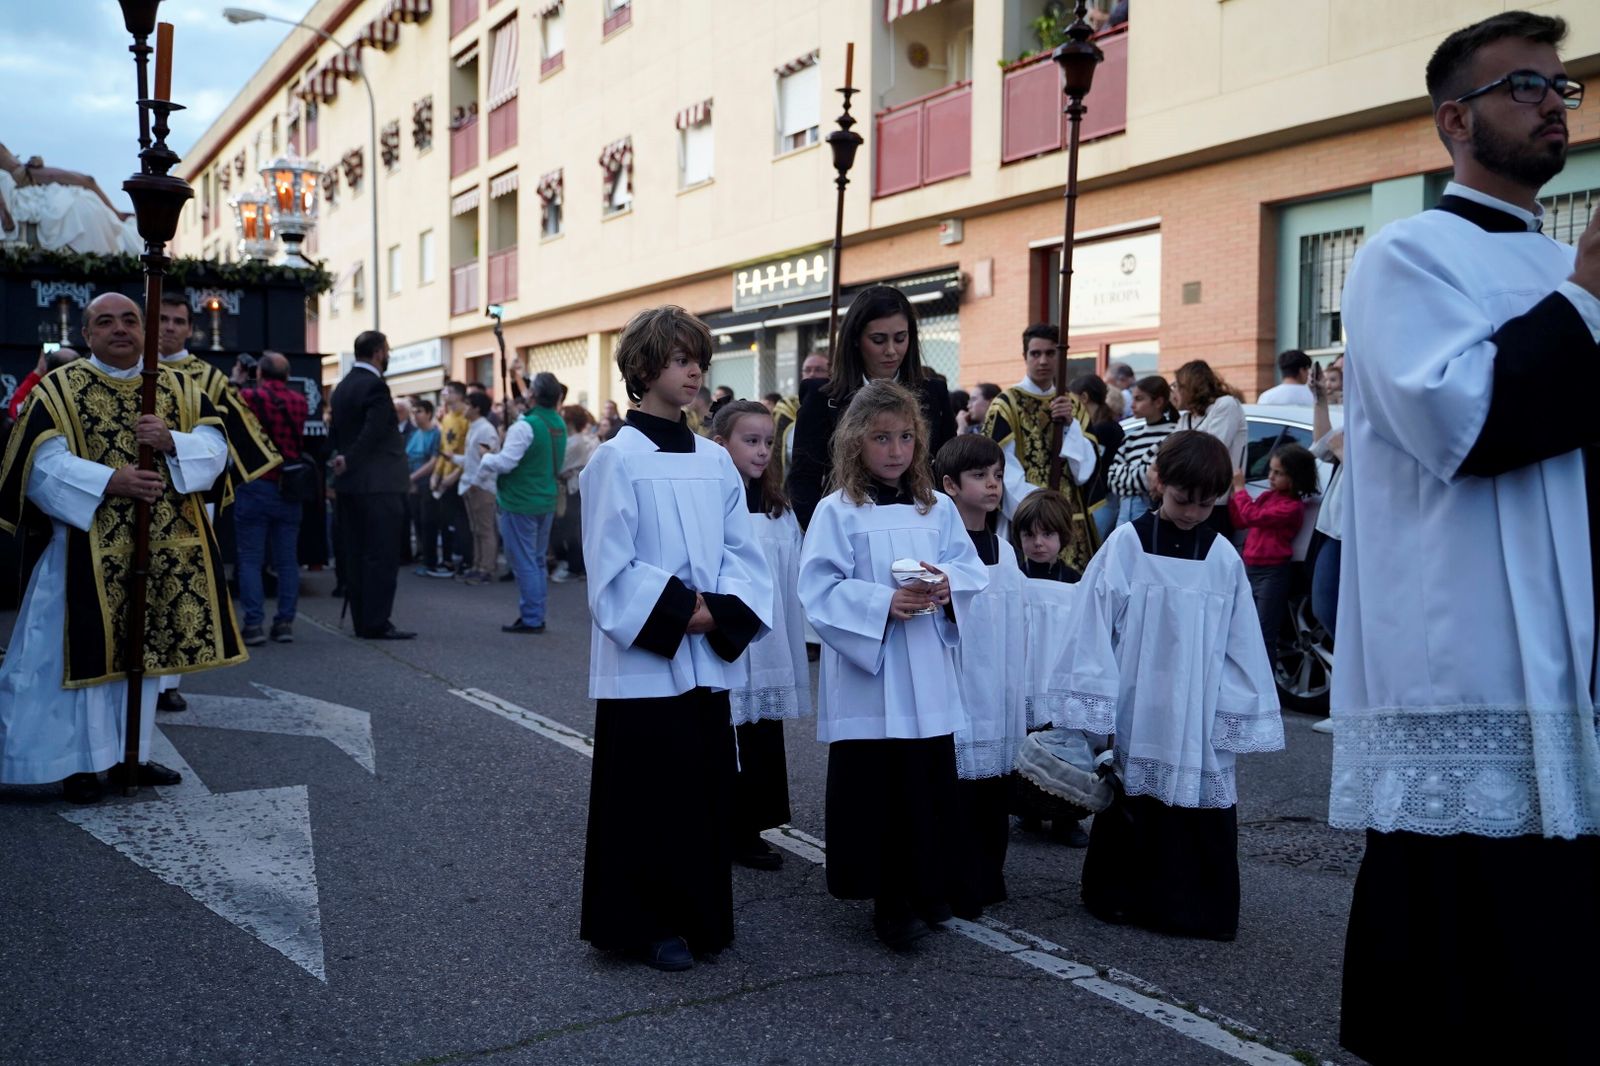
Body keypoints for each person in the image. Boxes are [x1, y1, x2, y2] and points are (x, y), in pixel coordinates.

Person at [1333, 13, 1600, 1062]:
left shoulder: (1555, 265)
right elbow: (1470, 423)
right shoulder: (1406, 255)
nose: (1552, 104)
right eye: (1524, 86)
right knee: (1458, 961)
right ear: (1454, 118)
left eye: (1562, 88)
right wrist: (1583, 295)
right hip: (1469, 657)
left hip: (1574, 649)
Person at [579, 306, 773, 973]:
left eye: (699, 359)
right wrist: (677, 612)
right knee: (647, 798)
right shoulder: (615, 460)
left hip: (704, 656)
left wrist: (717, 611)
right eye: (679, 358)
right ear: (642, 368)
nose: (694, 370)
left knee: (702, 793)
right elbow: (610, 568)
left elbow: (745, 553)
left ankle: (701, 916)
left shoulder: (717, 464)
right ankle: (644, 924)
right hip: (645, 664)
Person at [0, 292, 242, 804]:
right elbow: (39, 466)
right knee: (69, 668)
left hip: (160, 554)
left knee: (143, 660)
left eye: (130, 319)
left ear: (146, 331)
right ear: (86, 335)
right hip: (80, 555)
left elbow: (218, 451)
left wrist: (173, 441)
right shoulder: (58, 391)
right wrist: (111, 481)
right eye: (104, 322)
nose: (119, 329)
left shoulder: (180, 387)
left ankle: (127, 755)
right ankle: (75, 766)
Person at [1054, 430, 1282, 940]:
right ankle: (1120, 898)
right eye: (1183, 499)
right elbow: (1092, 619)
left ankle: (1194, 909)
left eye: (1206, 504)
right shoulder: (1128, 544)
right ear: (1159, 482)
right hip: (1141, 698)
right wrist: (1096, 700)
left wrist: (1235, 708)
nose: (1193, 513)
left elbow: (1241, 640)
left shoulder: (1222, 556)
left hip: (1197, 704)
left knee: (1198, 798)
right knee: (1135, 791)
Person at [797, 380, 987, 950]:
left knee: (925, 781)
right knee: (880, 789)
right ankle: (887, 900)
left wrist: (948, 586)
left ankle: (929, 886)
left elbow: (970, 568)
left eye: (906, 437)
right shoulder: (838, 512)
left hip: (925, 668)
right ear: (856, 442)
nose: (896, 450)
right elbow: (817, 587)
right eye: (882, 438)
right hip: (871, 678)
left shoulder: (938, 508)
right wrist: (883, 603)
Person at [156, 293, 282, 712]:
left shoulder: (207, 378)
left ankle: (168, 681)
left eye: (177, 321)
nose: (170, 327)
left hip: (189, 495)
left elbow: (236, 434)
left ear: (190, 329)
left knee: (179, 590)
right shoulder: (129, 371)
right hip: (131, 494)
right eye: (162, 319)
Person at [710, 400, 812, 872]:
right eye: (750, 441)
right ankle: (718, 825)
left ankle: (749, 826)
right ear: (720, 445)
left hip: (767, 644)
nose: (763, 451)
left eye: (769, 442)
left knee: (759, 737)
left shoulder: (777, 511)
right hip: (724, 643)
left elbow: (791, 579)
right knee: (719, 736)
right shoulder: (709, 507)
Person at [935, 433, 1026, 918]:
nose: (993, 485)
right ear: (949, 485)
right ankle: (953, 883)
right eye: (979, 476)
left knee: (992, 789)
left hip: (996, 686)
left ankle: (987, 876)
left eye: (997, 475)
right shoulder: (943, 548)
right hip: (957, 682)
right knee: (955, 790)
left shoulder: (1006, 550)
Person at [787, 286, 957, 529]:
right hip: (846, 528)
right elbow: (804, 479)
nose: (891, 350)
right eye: (878, 340)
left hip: (920, 526)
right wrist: (824, 533)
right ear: (856, 339)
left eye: (900, 338)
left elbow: (947, 470)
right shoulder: (822, 396)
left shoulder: (934, 394)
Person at [1009, 488, 1090, 847]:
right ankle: (1027, 807)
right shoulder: (1014, 579)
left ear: (1064, 537)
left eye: (1047, 534)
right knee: (1027, 744)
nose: (1038, 543)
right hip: (1025, 675)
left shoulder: (1077, 584)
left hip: (1058, 677)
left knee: (1066, 746)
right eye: (1029, 535)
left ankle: (1066, 817)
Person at [982, 324, 1099, 571]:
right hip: (1027, 518)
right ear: (1025, 356)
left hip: (1070, 517)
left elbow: (1085, 470)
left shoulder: (1073, 405)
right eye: (1036, 354)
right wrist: (1038, 513)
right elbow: (1002, 470)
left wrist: (1070, 426)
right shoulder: (1006, 405)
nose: (1043, 360)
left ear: (1060, 356)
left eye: (1050, 353)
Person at [329, 331, 413, 640]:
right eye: (387, 350)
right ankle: (376, 622)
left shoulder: (341, 388)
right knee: (381, 554)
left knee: (355, 553)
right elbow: (375, 431)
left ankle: (362, 620)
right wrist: (350, 459)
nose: (387, 355)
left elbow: (336, 433)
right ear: (378, 352)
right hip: (379, 484)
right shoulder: (375, 386)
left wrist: (340, 461)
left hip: (349, 486)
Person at [479, 373, 565, 632]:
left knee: (525, 562)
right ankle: (535, 614)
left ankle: (531, 617)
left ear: (533, 395)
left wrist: (486, 457)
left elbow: (505, 463)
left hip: (520, 502)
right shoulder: (558, 423)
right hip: (545, 500)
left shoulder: (525, 425)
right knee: (536, 561)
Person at [235, 353, 308, 645]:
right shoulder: (299, 402)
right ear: (287, 376)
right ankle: (285, 623)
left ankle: (254, 625)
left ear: (260, 374)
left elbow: (228, 408)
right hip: (289, 485)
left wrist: (239, 379)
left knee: (251, 559)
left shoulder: (250, 397)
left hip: (257, 482)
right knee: (287, 560)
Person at [1229, 443, 1316, 664]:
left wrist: (1240, 490)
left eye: (1278, 473)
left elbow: (1251, 517)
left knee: (1263, 633)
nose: (1271, 477)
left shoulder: (1292, 507)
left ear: (1295, 477)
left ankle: (1265, 687)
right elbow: (1241, 520)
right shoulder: (1270, 497)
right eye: (1271, 470)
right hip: (1250, 568)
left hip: (1272, 574)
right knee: (1243, 629)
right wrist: (1233, 498)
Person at [1171, 360, 1247, 536]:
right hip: (1184, 500)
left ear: (1190, 387)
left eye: (1177, 386)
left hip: (1212, 503)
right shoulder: (1186, 418)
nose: (1173, 391)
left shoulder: (1225, 405)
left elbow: (1208, 451)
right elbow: (1167, 453)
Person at [1106, 374, 1177, 528]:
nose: (1132, 405)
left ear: (1158, 402)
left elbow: (1155, 478)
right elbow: (1112, 478)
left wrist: (1128, 474)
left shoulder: (1173, 434)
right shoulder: (1131, 437)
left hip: (1151, 507)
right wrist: (1142, 473)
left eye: (1139, 399)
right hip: (1125, 509)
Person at [449, 392, 500, 585]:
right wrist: (453, 458)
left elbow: (488, 461)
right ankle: (478, 565)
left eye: (468, 404)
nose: (464, 408)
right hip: (472, 484)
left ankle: (486, 568)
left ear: (477, 408)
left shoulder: (486, 429)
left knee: (485, 529)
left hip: (481, 486)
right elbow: (472, 459)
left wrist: (475, 483)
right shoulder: (474, 427)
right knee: (476, 529)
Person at [1069, 374, 1124, 542]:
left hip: (1103, 499)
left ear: (1084, 398)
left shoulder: (1102, 430)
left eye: (1072, 400)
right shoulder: (1108, 426)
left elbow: (1094, 467)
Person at [550, 404, 596, 584]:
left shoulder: (575, 442)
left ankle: (574, 566)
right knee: (568, 527)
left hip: (571, 489)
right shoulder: (574, 440)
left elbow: (559, 466)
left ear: (569, 421)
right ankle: (573, 565)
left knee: (569, 529)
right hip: (570, 488)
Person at [432, 381, 471, 576]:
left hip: (462, 477)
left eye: (448, 391)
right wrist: (437, 473)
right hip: (446, 475)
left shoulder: (468, 418)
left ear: (459, 394)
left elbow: (471, 453)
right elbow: (443, 448)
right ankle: (446, 561)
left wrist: (457, 474)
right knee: (444, 520)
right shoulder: (446, 418)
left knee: (462, 521)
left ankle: (466, 560)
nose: (444, 394)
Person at [406, 399, 447, 577]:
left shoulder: (436, 434)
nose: (416, 415)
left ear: (429, 413)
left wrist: (413, 477)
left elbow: (434, 461)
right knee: (418, 522)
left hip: (428, 483)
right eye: (414, 411)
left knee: (428, 522)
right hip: (412, 484)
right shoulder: (413, 434)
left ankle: (431, 561)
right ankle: (424, 557)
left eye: (420, 411)